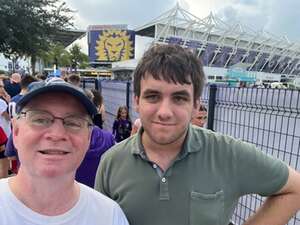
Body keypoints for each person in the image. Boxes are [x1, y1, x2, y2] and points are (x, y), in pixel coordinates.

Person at [95, 44, 300, 225]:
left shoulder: (228, 154)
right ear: (137, 101)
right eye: (153, 96)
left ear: (195, 106)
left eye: (179, 98)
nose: (165, 112)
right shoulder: (111, 163)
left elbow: (295, 188)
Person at [0, 77, 129, 225]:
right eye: (40, 119)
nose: (56, 135)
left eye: (73, 122)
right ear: (16, 131)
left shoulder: (109, 216)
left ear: (88, 137)